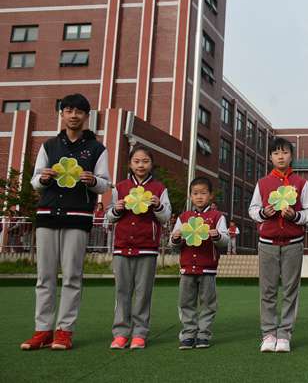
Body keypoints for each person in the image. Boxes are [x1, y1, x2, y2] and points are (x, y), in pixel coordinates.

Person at [21, 93, 111, 351]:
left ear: (86, 116)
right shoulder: (49, 146)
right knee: (44, 276)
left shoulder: (97, 149)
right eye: (69, 110)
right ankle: (42, 330)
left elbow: (104, 183)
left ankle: (64, 331)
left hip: (78, 217)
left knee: (72, 275)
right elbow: (35, 182)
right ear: (61, 114)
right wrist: (43, 179)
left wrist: (93, 180)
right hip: (47, 215)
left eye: (79, 111)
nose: (73, 115)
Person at [249, 137, 308, 353]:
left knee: (290, 290)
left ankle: (285, 334)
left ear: (291, 156)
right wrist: (263, 213)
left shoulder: (301, 183)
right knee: (267, 290)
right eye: (276, 153)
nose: (281, 157)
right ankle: (268, 334)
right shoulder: (262, 183)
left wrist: (295, 216)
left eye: (285, 152)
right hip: (267, 243)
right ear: (270, 157)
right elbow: (253, 210)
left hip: (293, 244)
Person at [106, 145, 171, 349]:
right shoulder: (120, 187)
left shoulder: (159, 189)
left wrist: (158, 205)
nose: (141, 165)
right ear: (130, 164)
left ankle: (139, 333)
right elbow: (109, 216)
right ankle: (120, 333)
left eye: (145, 161)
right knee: (122, 291)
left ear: (151, 164)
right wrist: (116, 210)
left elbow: (166, 217)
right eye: (136, 161)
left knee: (143, 293)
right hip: (122, 247)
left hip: (147, 248)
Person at [170, 177, 229, 349]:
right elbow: (173, 244)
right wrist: (175, 238)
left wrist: (218, 236)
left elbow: (225, 240)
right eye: (195, 193)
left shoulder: (217, 217)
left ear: (211, 196)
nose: (199, 197)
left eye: (203, 193)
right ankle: (188, 334)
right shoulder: (184, 217)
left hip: (208, 269)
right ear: (190, 196)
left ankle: (204, 334)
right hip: (187, 269)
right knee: (185, 303)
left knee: (208, 304)